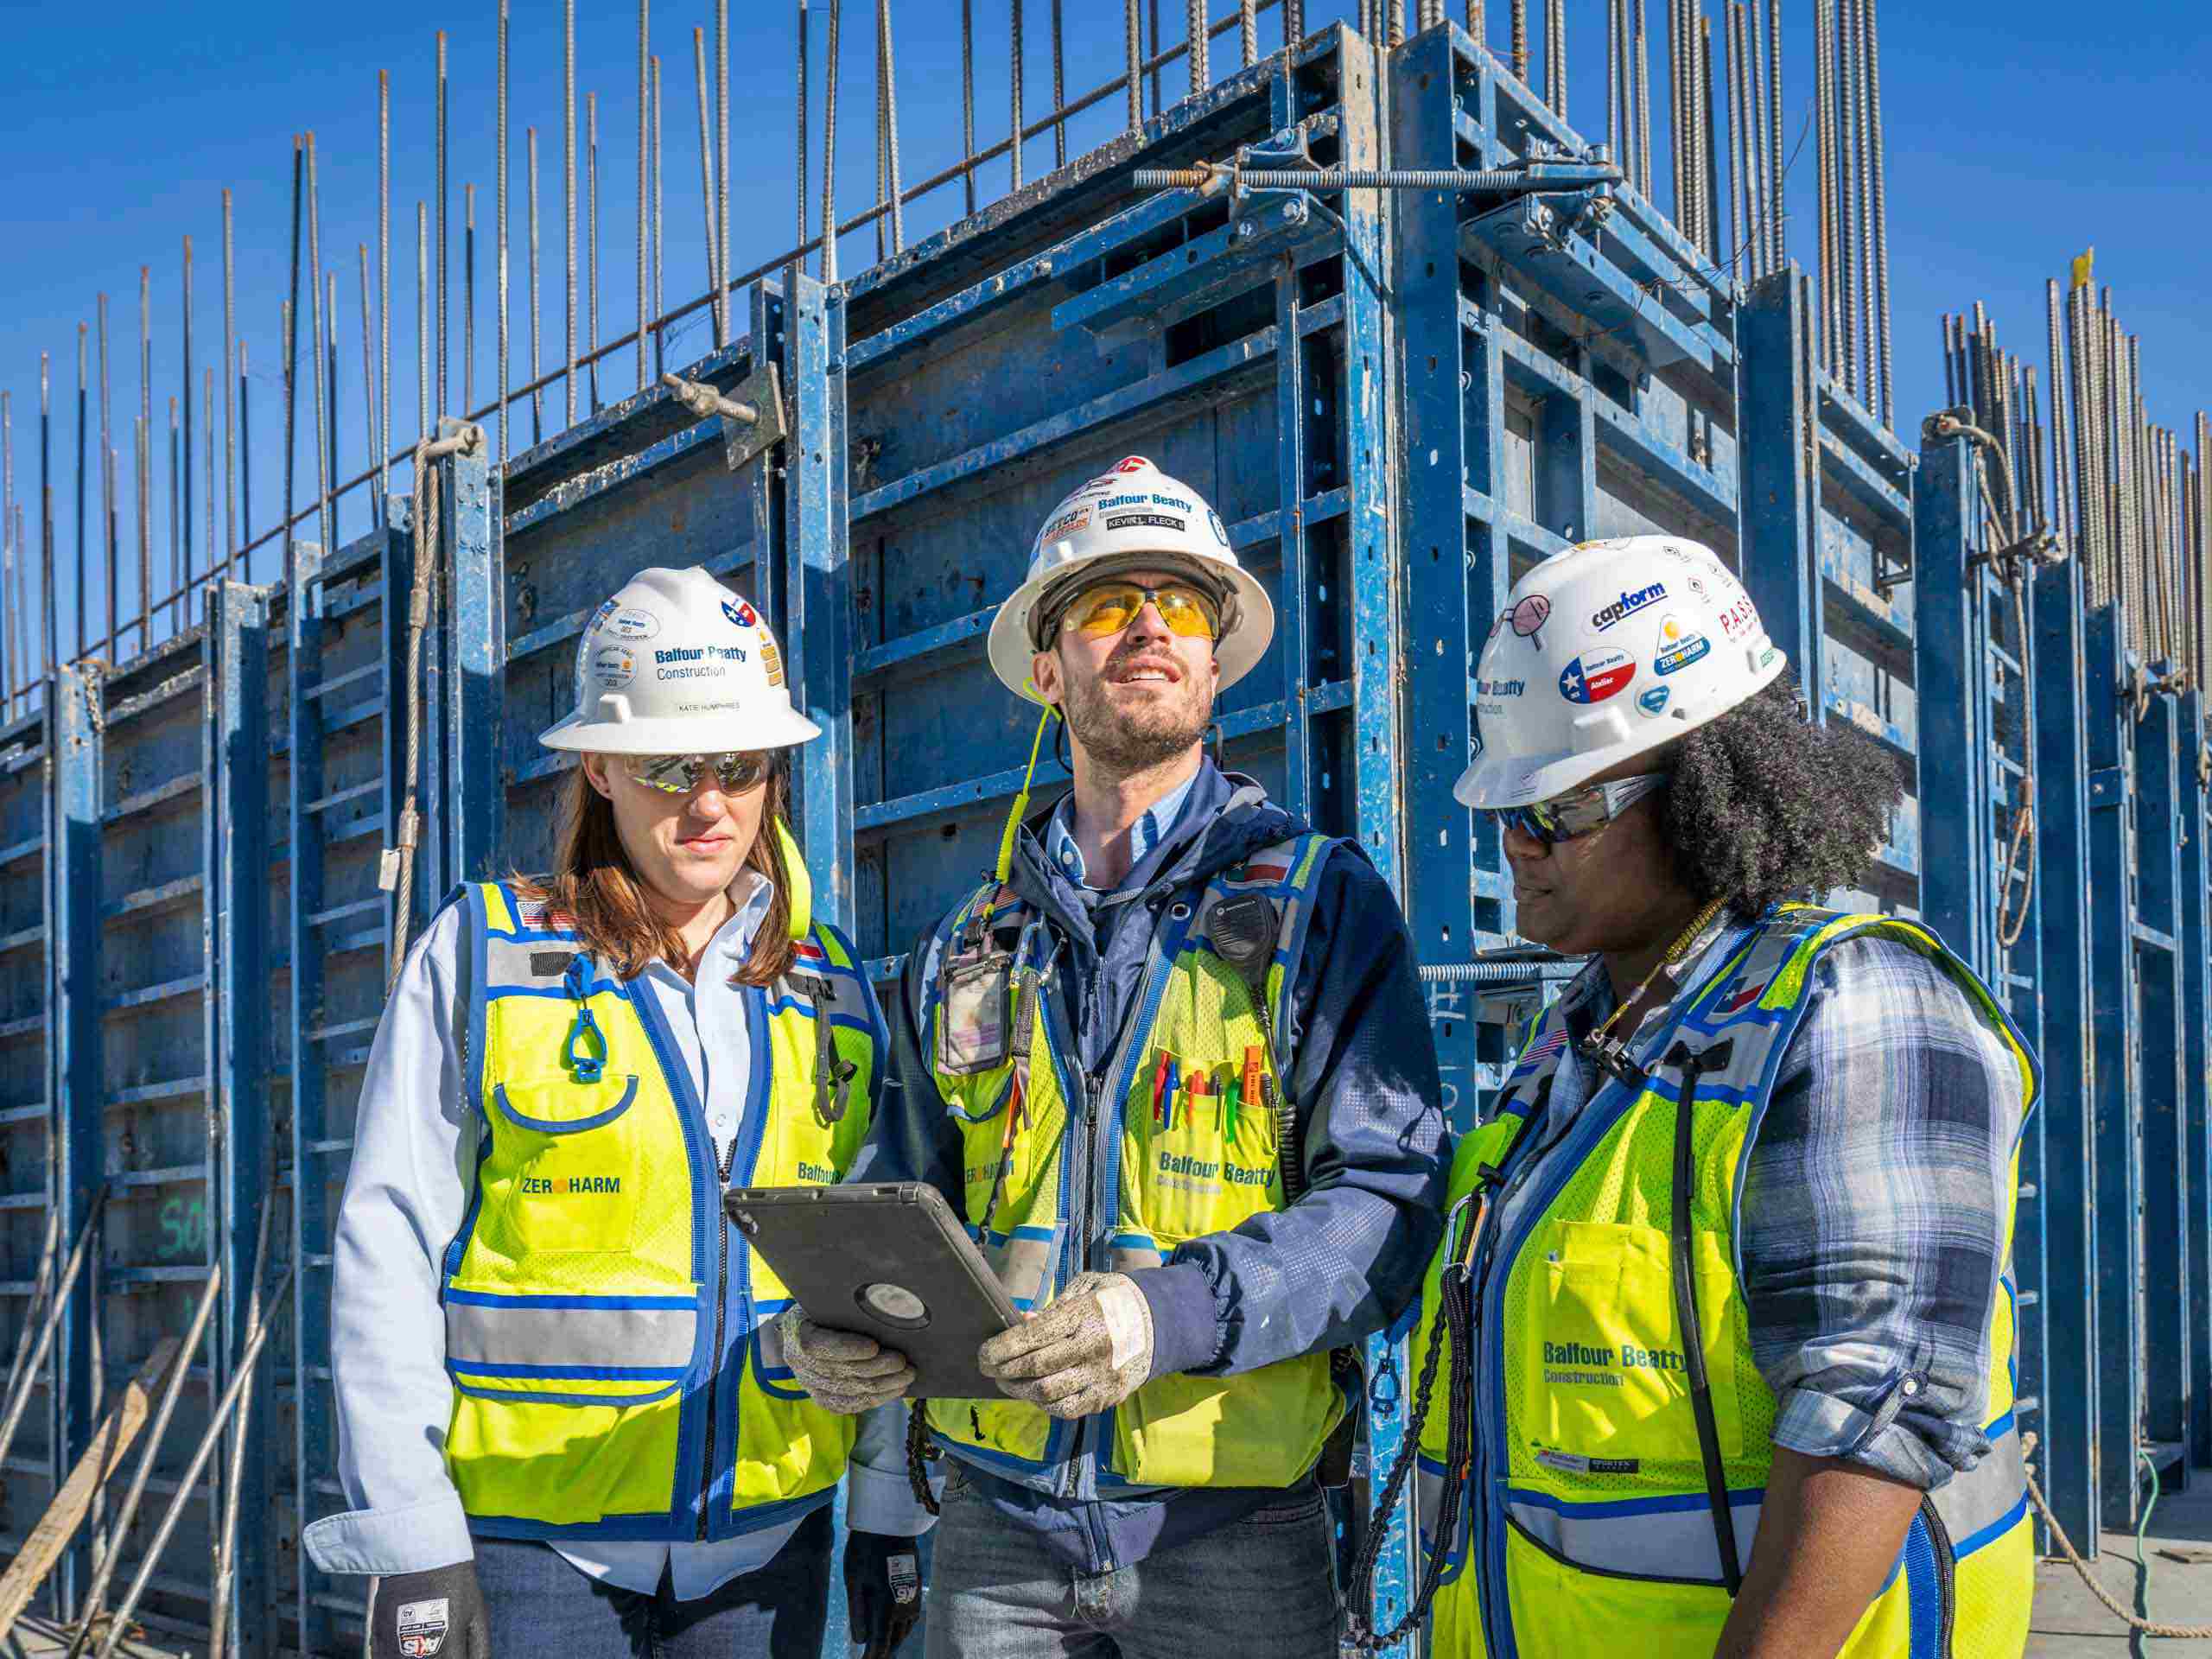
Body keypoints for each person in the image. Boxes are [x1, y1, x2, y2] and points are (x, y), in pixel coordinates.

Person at [774, 456, 1450, 1659]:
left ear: (1214, 659)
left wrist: (1166, 1315)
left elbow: (1391, 1205)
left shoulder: (1318, 905)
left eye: (1181, 604)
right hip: (994, 1535)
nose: (1147, 624)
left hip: (1235, 1536)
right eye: (1103, 604)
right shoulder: (967, 944)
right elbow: (909, 1203)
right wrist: (847, 1330)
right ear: (1048, 668)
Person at [1358, 537, 2037, 1658]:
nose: (1519, 844)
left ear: (1709, 784)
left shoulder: (1853, 1006)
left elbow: (1873, 1417)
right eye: (1509, 811)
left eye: (1563, 810)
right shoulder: (1577, 1046)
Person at [302, 567, 932, 1659]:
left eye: (737, 766)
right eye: (667, 766)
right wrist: (411, 1539)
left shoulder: (829, 988)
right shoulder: (484, 957)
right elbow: (387, 1241)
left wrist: (887, 1509)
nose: (707, 803)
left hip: (770, 1547)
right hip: (532, 1552)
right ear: (598, 766)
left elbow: (875, 1262)